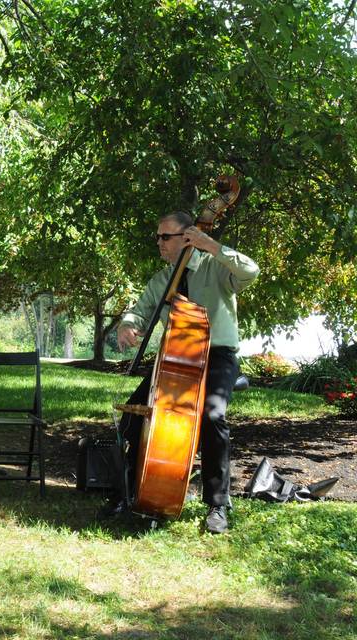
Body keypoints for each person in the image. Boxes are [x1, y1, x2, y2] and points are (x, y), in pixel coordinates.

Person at [105, 211, 259, 533]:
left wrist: (212, 245)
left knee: (213, 417)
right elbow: (139, 311)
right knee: (133, 417)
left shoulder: (215, 267)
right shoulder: (162, 280)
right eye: (158, 237)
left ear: (187, 237)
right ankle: (127, 492)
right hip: (174, 360)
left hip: (217, 356)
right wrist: (127, 326)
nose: (159, 243)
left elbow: (251, 271)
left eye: (165, 237)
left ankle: (218, 504)